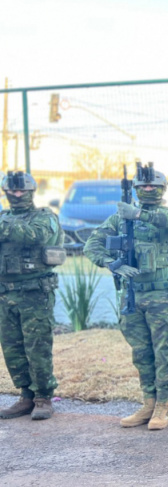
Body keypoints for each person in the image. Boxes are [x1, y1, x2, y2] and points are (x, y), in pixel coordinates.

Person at [84, 163, 168, 431]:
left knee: (163, 352)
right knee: (141, 353)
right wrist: (112, 264)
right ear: (135, 188)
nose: (147, 189)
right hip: (132, 295)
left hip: (162, 296)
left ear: (163, 189)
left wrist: (140, 215)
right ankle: (148, 403)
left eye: (153, 186)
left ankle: (163, 406)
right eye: (142, 186)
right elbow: (91, 245)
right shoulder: (120, 220)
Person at [0, 171, 65, 421]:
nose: (17, 195)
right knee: (12, 349)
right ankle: (26, 396)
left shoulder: (45, 217)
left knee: (37, 347)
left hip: (35, 294)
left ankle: (43, 398)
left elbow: (33, 235)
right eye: (12, 191)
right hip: (6, 295)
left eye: (22, 191)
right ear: (6, 192)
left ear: (31, 192)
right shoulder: (4, 217)